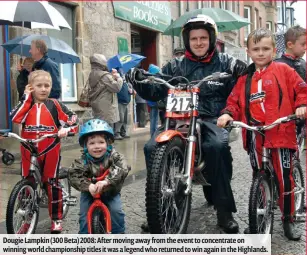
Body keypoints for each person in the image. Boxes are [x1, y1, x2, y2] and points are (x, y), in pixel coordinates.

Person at [127, 14, 247, 233]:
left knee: (216, 146)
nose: (199, 42)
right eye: (194, 39)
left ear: (211, 39)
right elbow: (156, 89)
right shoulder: (175, 65)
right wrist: (138, 80)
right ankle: (159, 207)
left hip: (211, 117)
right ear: (187, 41)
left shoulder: (225, 62)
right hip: (179, 118)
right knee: (152, 146)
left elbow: (242, 83)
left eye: (203, 38)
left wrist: (241, 71)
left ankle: (224, 211)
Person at [217, 28, 306, 241]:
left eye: (266, 48)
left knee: (285, 180)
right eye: (256, 49)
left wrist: (302, 105)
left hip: (281, 133)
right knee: (259, 176)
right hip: (256, 135)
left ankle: (289, 218)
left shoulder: (284, 71)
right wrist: (228, 114)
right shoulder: (245, 78)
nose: (261, 53)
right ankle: (260, 218)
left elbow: (301, 89)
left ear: (274, 50)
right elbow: (234, 101)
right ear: (248, 51)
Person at [10, 70, 78, 233]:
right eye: (39, 85)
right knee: (27, 182)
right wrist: (26, 98)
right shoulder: (26, 104)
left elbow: (72, 118)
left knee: (51, 183)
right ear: (31, 87)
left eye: (47, 86)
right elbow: (15, 118)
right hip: (28, 148)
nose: (43, 89)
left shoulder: (54, 104)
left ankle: (56, 218)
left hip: (50, 149)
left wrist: (67, 129)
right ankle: (26, 218)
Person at [69, 119, 130, 234]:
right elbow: (74, 174)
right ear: (85, 147)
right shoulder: (83, 160)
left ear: (108, 144)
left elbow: (123, 167)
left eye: (101, 142)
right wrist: (88, 186)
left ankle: (119, 235)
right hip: (89, 193)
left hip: (110, 191)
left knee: (116, 211)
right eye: (92, 143)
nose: (97, 146)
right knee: (84, 216)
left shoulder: (114, 156)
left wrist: (107, 181)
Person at [275, 25, 306, 143]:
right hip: (282, 117)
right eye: (303, 44)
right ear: (290, 44)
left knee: (297, 145)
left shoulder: (303, 64)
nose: (305, 48)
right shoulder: (277, 65)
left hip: (301, 115)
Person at [88, 54, 123, 126]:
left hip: (97, 107)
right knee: (107, 132)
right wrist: (118, 77)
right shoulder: (105, 76)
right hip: (106, 109)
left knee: (100, 130)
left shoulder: (93, 74)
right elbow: (116, 88)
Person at [114, 68, 133, 140]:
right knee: (120, 118)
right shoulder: (117, 81)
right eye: (122, 73)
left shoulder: (126, 82)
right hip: (120, 102)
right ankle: (117, 133)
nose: (123, 75)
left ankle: (123, 132)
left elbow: (130, 91)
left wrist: (130, 90)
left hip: (126, 102)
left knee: (125, 119)